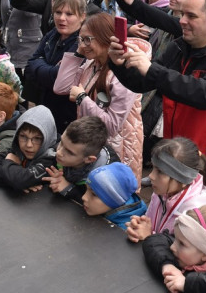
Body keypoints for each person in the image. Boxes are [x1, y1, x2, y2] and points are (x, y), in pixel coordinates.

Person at [110, 0, 206, 220]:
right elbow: (142, 83)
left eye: (191, 16)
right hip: (179, 165)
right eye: (182, 14)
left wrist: (153, 69)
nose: (182, 21)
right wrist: (118, 64)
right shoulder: (180, 47)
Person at [55, 12, 144, 181]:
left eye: (88, 40)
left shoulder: (124, 73)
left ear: (106, 39)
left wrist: (82, 98)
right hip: (93, 146)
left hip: (118, 149)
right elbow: (60, 88)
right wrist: (78, 54)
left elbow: (111, 126)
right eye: (80, 40)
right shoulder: (92, 63)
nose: (83, 45)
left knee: (109, 196)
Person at [126, 137, 206, 242]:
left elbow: (181, 253)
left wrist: (148, 237)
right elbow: (150, 223)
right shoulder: (162, 192)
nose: (151, 176)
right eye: (153, 167)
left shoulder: (195, 214)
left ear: (183, 179)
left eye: (160, 172)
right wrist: (141, 225)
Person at [25, 0, 84, 133]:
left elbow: (58, 79)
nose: (62, 18)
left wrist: (40, 66)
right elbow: (29, 65)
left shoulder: (82, 43)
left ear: (82, 17)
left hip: (66, 117)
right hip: (45, 106)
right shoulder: (53, 34)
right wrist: (48, 70)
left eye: (69, 14)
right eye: (58, 12)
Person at [0, 105, 60, 193]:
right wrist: (15, 181)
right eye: (23, 136)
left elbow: (19, 180)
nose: (29, 145)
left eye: (37, 139)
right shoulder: (16, 149)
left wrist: (10, 163)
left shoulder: (51, 161)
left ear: (47, 138)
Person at [80, 161, 148, 229]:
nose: (84, 197)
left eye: (94, 194)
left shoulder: (125, 231)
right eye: (86, 189)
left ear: (115, 200)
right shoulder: (115, 205)